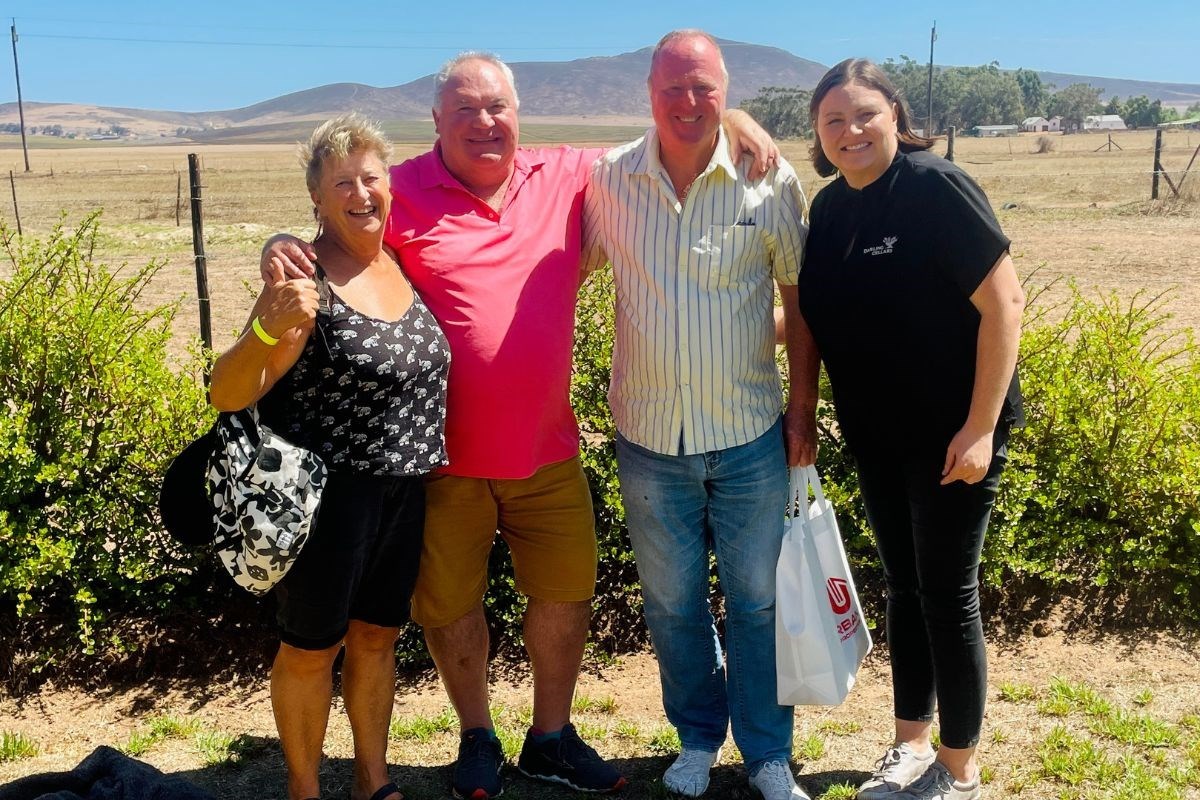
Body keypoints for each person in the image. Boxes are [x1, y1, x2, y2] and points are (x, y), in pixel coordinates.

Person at [261, 52, 779, 800]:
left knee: (566, 593)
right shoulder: (402, 188)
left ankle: (550, 738)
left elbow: (671, 136)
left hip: (548, 451)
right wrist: (280, 243)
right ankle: (476, 734)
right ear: (436, 121)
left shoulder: (566, 173)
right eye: (464, 110)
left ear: (518, 112)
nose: (484, 122)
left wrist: (729, 116)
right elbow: (345, 213)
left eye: (496, 106)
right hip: (443, 461)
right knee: (450, 607)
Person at [582, 30, 817, 800]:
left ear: (726, 91)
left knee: (758, 602)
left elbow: (799, 301)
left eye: (705, 89)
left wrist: (803, 409)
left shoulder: (768, 180)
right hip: (649, 440)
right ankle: (696, 738)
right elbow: (543, 255)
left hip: (749, 435)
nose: (688, 103)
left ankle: (767, 752)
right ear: (648, 92)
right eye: (672, 89)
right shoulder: (608, 180)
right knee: (672, 605)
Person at [796, 59, 1025, 800]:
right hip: (877, 434)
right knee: (903, 588)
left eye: (864, 114)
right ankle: (909, 743)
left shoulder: (935, 187)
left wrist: (981, 427)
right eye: (833, 120)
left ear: (894, 113)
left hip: (951, 435)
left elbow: (1005, 305)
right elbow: (812, 317)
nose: (850, 131)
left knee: (947, 594)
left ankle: (957, 767)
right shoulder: (830, 210)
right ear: (818, 135)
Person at [210, 114, 450, 800]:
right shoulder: (304, 277)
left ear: (389, 185)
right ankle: (304, 788)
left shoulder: (400, 262)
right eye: (341, 182)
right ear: (315, 197)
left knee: (376, 639)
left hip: (404, 493)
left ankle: (372, 780)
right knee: (311, 649)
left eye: (370, 178)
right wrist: (266, 327)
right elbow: (227, 392)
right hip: (326, 502)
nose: (360, 193)